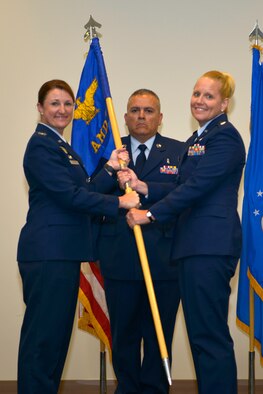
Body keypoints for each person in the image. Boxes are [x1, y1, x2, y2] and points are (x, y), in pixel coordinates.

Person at [16, 79, 139, 394]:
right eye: (54, 103)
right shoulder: (41, 144)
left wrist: (110, 169)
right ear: (40, 109)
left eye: (68, 103)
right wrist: (119, 202)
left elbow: (83, 190)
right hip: (48, 252)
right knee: (43, 341)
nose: (62, 109)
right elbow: (70, 197)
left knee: (56, 339)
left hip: (63, 253)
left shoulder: (60, 146)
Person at [126, 72, 246, 394]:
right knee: (200, 335)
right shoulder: (197, 139)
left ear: (224, 103)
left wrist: (149, 214)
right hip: (193, 247)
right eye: (196, 94)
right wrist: (144, 186)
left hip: (209, 246)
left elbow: (196, 188)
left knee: (209, 336)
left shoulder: (224, 138)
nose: (200, 101)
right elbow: (179, 186)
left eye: (208, 96)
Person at [97, 89, 184, 393]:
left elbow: (183, 195)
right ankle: (128, 389)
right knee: (124, 336)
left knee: (160, 333)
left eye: (149, 111)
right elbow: (91, 194)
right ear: (125, 117)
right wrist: (111, 172)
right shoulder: (109, 151)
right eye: (135, 110)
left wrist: (144, 189)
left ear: (160, 117)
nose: (141, 116)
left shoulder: (178, 151)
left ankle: (156, 389)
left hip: (164, 260)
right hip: (119, 258)